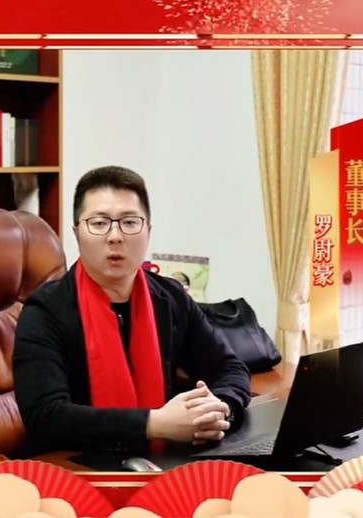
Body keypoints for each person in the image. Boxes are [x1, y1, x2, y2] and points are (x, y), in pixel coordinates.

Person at [13, 165, 251, 455]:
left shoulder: (170, 297)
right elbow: (46, 416)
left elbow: (229, 368)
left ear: (148, 230)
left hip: (163, 462)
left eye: (129, 222)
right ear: (76, 233)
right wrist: (154, 423)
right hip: (77, 465)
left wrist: (220, 409)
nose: (115, 236)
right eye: (99, 223)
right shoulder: (45, 311)